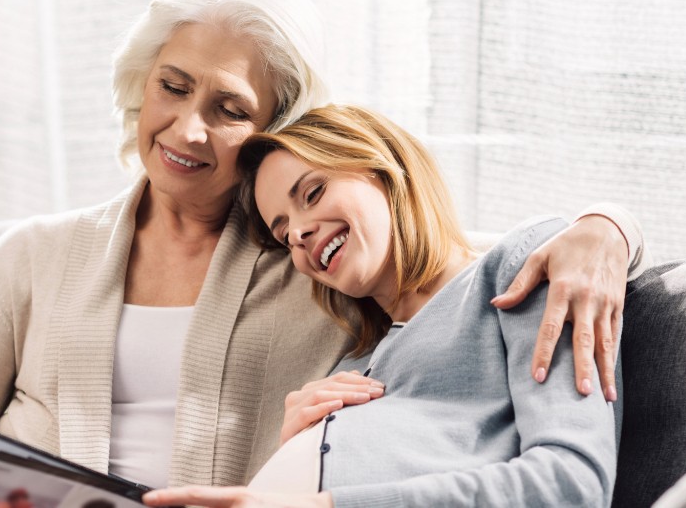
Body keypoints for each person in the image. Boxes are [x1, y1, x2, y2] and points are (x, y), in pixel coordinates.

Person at [0, 0, 647, 506]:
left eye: (229, 108)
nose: (187, 128)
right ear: (138, 87)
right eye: (172, 86)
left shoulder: (313, 266)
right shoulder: (32, 261)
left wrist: (603, 225)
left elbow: (450, 264)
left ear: (276, 135)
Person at [145, 104, 619, 507]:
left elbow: (570, 485)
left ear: (384, 167)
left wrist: (611, 224)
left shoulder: (520, 270)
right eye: (283, 233)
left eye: (312, 193)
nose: (300, 234)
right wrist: (298, 445)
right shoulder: (358, 359)